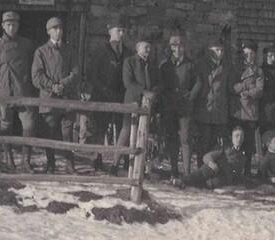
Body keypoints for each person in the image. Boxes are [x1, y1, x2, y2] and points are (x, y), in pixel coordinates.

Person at [0, 11, 37, 173]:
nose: (11, 27)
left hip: (23, 91)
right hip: (4, 92)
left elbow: (34, 68)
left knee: (29, 125)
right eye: (8, 24)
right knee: (5, 125)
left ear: (18, 25)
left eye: (14, 24)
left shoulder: (27, 45)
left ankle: (26, 161)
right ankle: (8, 159)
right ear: (3, 26)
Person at [32, 17, 80, 174]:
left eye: (60, 28)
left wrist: (63, 84)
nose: (58, 31)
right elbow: (37, 76)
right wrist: (52, 86)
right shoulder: (41, 52)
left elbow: (76, 72)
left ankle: (69, 163)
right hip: (49, 98)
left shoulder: (70, 50)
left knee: (68, 132)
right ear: (48, 31)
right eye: (55, 28)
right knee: (50, 132)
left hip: (67, 97)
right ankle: (51, 163)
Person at [110, 40, 161, 175]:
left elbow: (157, 81)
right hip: (132, 101)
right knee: (126, 132)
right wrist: (144, 92)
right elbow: (128, 82)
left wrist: (154, 91)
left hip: (147, 104)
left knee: (142, 133)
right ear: (138, 49)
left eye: (149, 47)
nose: (148, 50)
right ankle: (115, 163)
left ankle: (137, 166)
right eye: (145, 48)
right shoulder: (130, 62)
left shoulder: (152, 65)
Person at [86, 20, 130, 170]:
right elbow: (93, 74)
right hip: (102, 96)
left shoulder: (127, 53)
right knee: (100, 129)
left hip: (120, 97)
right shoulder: (101, 51)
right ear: (110, 31)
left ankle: (120, 160)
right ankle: (96, 158)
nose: (121, 34)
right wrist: (104, 90)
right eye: (118, 30)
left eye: (123, 31)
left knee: (122, 129)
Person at [159, 35, 201, 177]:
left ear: (184, 48)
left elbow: (198, 83)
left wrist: (191, 96)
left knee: (186, 138)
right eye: (174, 46)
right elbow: (161, 85)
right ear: (170, 48)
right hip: (170, 107)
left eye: (180, 46)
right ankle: (174, 170)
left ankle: (187, 172)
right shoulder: (165, 65)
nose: (177, 49)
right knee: (171, 138)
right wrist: (165, 99)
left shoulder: (191, 64)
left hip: (185, 107)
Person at [194, 39, 231, 168]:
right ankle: (200, 169)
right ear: (209, 52)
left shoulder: (226, 67)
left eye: (221, 50)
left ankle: (211, 170)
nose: (219, 53)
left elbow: (228, 89)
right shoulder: (201, 65)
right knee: (203, 142)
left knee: (215, 143)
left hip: (219, 110)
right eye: (216, 50)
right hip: (204, 108)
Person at [172, 126, 246, 189]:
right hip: (212, 170)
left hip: (222, 178)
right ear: (232, 138)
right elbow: (207, 156)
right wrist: (211, 163)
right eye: (236, 136)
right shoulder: (224, 148)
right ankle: (183, 180)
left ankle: (187, 184)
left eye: (241, 136)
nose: (239, 139)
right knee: (204, 171)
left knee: (212, 183)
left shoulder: (242, 156)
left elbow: (237, 175)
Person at [231, 40, 264, 176]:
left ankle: (247, 171)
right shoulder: (236, 69)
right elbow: (232, 87)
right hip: (237, 111)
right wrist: (246, 86)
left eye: (251, 54)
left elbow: (259, 90)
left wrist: (245, 92)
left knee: (249, 143)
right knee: (236, 141)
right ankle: (234, 169)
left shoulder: (258, 71)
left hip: (250, 111)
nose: (248, 56)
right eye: (246, 54)